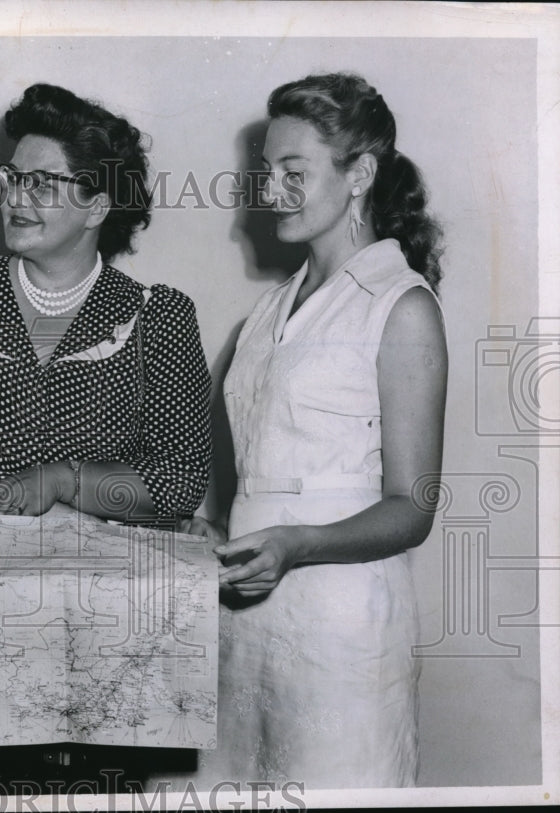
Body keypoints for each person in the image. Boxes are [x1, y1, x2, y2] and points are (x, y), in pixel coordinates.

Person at [0, 83, 212, 789]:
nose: (14, 196)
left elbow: (182, 479)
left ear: (97, 204)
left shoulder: (159, 317)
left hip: (97, 641)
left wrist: (64, 479)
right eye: (11, 177)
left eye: (40, 181)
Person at [187, 72, 448, 788]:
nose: (270, 191)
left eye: (293, 171)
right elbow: (257, 486)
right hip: (245, 629)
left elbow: (413, 505)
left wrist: (299, 545)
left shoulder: (401, 308)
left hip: (343, 638)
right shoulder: (265, 317)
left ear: (359, 174)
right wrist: (209, 533)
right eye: (266, 171)